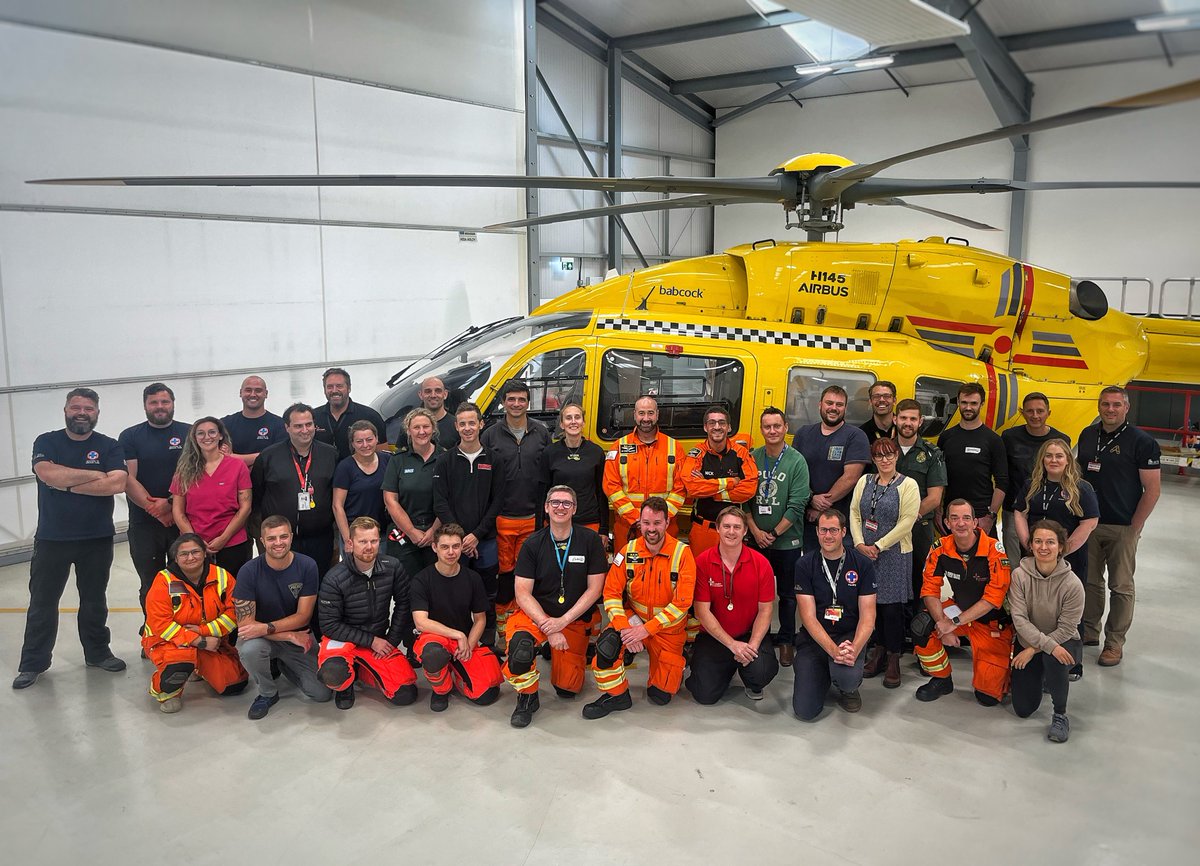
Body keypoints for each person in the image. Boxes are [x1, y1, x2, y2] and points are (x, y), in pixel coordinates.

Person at [13, 388, 129, 690]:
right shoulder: (47, 441)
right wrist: (95, 474)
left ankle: (98, 653)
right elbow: (47, 474)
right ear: (65, 410)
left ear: (97, 413)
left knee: (94, 600)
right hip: (53, 538)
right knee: (42, 602)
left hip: (97, 537)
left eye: (88, 408)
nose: (82, 413)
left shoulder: (109, 445)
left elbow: (116, 483)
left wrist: (66, 484)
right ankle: (33, 663)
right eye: (76, 407)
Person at [504, 486, 607, 727]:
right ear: (547, 507)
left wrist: (562, 622)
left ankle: (555, 654)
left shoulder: (590, 540)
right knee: (520, 650)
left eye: (567, 503)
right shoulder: (532, 543)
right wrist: (548, 626)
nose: (561, 507)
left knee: (567, 688)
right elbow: (522, 593)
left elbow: (595, 589)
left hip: (572, 618)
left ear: (575, 509)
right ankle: (527, 698)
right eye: (556, 502)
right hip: (537, 616)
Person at [584, 497, 696, 719]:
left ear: (667, 522)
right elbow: (611, 594)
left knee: (660, 695)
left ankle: (676, 663)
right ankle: (617, 696)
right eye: (646, 523)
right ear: (639, 523)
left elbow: (682, 604)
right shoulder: (628, 551)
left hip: (667, 630)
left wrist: (646, 630)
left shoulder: (683, 554)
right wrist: (625, 627)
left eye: (657, 523)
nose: (651, 529)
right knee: (606, 649)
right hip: (633, 621)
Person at [1077, 385, 1162, 667]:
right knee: (1090, 581)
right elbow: (1078, 475)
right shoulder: (1088, 435)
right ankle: (1090, 632)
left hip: (1123, 525)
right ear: (1099, 406)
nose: (1110, 409)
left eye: (1116, 405)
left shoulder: (1142, 441)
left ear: (1126, 407)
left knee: (1121, 586)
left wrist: (1134, 527)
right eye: (1105, 404)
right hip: (1089, 523)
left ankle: (1114, 643)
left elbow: (1152, 489)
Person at [1014, 438, 1099, 679]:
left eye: (1059, 456)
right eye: (1049, 455)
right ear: (1042, 459)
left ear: (1068, 460)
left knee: (1068, 608)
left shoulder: (1081, 488)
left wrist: (1062, 551)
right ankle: (1035, 652)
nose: (1053, 460)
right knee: (1035, 606)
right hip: (1035, 556)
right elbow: (1020, 513)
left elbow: (1089, 522)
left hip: (1068, 558)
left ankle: (1073, 662)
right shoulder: (1032, 485)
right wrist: (1028, 543)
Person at [913, 499, 1012, 706]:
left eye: (966, 518)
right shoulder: (940, 548)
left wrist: (954, 623)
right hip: (958, 610)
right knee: (921, 625)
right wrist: (942, 624)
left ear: (975, 522)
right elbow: (929, 590)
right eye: (955, 518)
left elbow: (993, 599)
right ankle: (942, 679)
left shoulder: (994, 549)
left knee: (987, 698)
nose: (961, 523)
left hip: (991, 623)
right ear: (947, 523)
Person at [233, 515, 332, 720]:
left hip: (296, 636)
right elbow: (246, 626)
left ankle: (283, 663)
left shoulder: (307, 565)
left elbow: (303, 617)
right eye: (271, 538)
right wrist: (287, 635)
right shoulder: (248, 571)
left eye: (283, 537)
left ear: (291, 537)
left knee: (322, 693)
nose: (278, 543)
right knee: (250, 649)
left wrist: (265, 628)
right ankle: (267, 693)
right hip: (266, 639)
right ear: (262, 541)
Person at [480, 379, 552, 651]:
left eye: (522, 399)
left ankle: (527, 628)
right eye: (511, 399)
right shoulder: (490, 436)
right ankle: (503, 630)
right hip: (501, 518)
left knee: (528, 576)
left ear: (528, 402)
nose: (516, 404)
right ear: (503, 402)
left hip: (533, 519)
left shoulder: (541, 433)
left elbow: (548, 476)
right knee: (504, 576)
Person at [140, 533, 248, 713]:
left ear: (205, 553)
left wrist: (203, 631)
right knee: (179, 666)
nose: (190, 557)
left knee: (234, 684)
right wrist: (199, 640)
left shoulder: (222, 576)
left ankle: (198, 667)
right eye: (184, 554)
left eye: (195, 552)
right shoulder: (164, 581)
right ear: (175, 558)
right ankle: (167, 693)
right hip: (168, 643)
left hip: (210, 639)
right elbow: (160, 624)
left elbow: (235, 613)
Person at [316, 517, 416, 710]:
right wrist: (371, 641)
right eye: (362, 542)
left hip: (378, 637)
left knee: (405, 694)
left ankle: (361, 670)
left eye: (374, 541)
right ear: (350, 543)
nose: (369, 547)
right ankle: (345, 685)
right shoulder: (334, 578)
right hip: (342, 639)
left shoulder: (393, 567)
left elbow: (404, 604)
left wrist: (391, 640)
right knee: (333, 673)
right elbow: (329, 625)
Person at [685, 507, 779, 704]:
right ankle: (724, 668)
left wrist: (752, 646)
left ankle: (749, 678)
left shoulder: (761, 563)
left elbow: (766, 610)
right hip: (715, 637)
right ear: (718, 528)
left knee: (761, 671)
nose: (731, 532)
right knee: (704, 695)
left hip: (748, 634)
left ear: (745, 531)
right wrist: (731, 645)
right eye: (726, 526)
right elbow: (701, 611)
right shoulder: (702, 562)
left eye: (737, 527)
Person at [791, 509, 877, 720]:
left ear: (843, 532)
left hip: (848, 636)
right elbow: (808, 617)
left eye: (833, 530)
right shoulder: (805, 564)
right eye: (823, 530)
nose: (828, 536)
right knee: (805, 711)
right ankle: (824, 673)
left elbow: (868, 617)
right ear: (817, 532)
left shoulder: (862, 564)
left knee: (847, 678)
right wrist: (833, 651)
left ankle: (847, 688)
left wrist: (854, 649)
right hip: (815, 638)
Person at [410, 523, 504, 712]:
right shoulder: (421, 579)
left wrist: (469, 643)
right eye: (445, 547)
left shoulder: (473, 578)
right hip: (434, 638)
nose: (451, 552)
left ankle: (457, 676)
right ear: (434, 547)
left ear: (462, 547)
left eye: (456, 546)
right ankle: (442, 690)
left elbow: (480, 619)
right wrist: (458, 635)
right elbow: (421, 622)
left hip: (463, 643)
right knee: (434, 655)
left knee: (487, 695)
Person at [432, 402, 504, 645]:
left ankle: (487, 643)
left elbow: (498, 501)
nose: (467, 428)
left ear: (481, 424)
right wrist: (461, 538)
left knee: (488, 592)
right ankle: (455, 641)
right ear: (456, 426)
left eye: (472, 423)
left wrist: (477, 535)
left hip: (486, 541)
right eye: (462, 423)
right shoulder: (445, 461)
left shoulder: (494, 459)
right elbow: (440, 502)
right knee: (454, 591)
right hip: (456, 544)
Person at [850, 438, 920, 688]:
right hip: (865, 554)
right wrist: (860, 544)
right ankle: (878, 652)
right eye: (879, 455)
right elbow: (855, 513)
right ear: (873, 459)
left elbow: (907, 521)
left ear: (897, 456)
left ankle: (893, 658)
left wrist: (878, 546)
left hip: (894, 553)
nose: (885, 459)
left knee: (892, 610)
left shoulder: (908, 484)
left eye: (889, 454)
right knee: (872, 606)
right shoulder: (864, 481)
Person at [1009, 520, 1085, 744]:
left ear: (1060, 547)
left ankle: (1060, 715)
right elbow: (1019, 620)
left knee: (1054, 658)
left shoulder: (1073, 585)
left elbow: (1067, 629)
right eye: (1038, 541)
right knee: (1023, 709)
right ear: (1031, 545)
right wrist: (1035, 648)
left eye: (1050, 542)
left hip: (1063, 642)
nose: (1043, 547)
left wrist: (1035, 649)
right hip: (1028, 641)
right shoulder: (1019, 576)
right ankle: (1042, 675)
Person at [119, 382, 190, 617]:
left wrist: (170, 505)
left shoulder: (190, 433)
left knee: (182, 580)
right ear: (145, 406)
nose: (160, 406)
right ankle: (154, 629)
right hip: (144, 524)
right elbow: (128, 478)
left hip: (182, 520)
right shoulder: (130, 436)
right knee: (151, 582)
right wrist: (156, 510)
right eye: (154, 402)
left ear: (173, 404)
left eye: (164, 402)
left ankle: (183, 628)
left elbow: (196, 474)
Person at [746, 407, 810, 667]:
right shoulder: (752, 458)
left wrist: (773, 534)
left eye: (776, 426)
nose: (772, 431)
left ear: (785, 428)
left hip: (787, 542)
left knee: (787, 595)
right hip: (755, 540)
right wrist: (755, 531)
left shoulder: (797, 461)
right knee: (753, 594)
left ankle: (786, 641)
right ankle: (756, 639)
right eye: (767, 427)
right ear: (761, 430)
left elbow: (797, 505)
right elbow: (744, 500)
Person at [251, 403, 339, 579]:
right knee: (281, 584)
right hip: (281, 540)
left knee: (319, 583)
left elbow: (336, 494)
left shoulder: (331, 454)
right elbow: (256, 496)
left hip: (320, 537)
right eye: (298, 426)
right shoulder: (268, 457)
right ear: (287, 427)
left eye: (308, 424)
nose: (305, 430)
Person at [602, 395, 687, 553]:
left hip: (664, 527)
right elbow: (611, 486)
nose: (646, 418)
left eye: (650, 413)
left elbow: (681, 488)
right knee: (627, 567)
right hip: (628, 527)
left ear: (657, 415)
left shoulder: (675, 447)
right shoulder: (618, 447)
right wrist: (635, 518)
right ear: (634, 415)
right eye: (641, 413)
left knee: (665, 566)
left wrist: (659, 519)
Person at [170, 417, 253, 575]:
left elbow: (245, 507)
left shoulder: (237, 466)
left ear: (220, 435)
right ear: (194, 438)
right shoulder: (184, 470)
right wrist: (195, 541)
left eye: (212, 432)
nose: (207, 437)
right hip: (195, 546)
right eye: (201, 433)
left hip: (232, 542)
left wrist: (224, 538)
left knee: (234, 587)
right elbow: (178, 512)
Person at [792, 385, 870, 552]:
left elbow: (850, 477)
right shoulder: (803, 434)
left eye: (839, 404)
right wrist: (811, 499)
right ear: (820, 404)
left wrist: (820, 507)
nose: (833, 408)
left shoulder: (856, 436)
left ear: (845, 408)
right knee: (808, 565)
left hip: (840, 524)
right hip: (806, 522)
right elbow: (794, 474)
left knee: (839, 567)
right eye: (829, 403)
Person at [1000, 393, 1071, 562]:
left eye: (1040, 411)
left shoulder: (1061, 439)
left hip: (1048, 510)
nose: (1035, 415)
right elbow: (1002, 474)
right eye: (1030, 411)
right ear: (1022, 412)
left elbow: (1067, 476)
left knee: (1045, 558)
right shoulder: (1009, 437)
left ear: (1048, 413)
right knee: (1014, 563)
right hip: (1014, 510)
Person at [680, 404, 758, 555]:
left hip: (732, 531)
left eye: (722, 423)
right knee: (701, 569)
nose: (717, 427)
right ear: (705, 427)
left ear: (729, 427)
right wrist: (730, 482)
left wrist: (711, 491)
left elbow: (749, 489)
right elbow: (692, 487)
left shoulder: (741, 453)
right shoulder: (697, 454)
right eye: (712, 423)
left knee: (732, 569)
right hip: (703, 529)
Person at [382, 408, 445, 588]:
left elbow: (452, 498)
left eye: (426, 426)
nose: (421, 431)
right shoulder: (398, 460)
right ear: (408, 431)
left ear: (433, 429)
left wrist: (433, 531)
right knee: (406, 590)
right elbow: (390, 500)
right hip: (404, 534)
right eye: (416, 427)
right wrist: (411, 531)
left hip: (438, 533)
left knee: (437, 587)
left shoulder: (446, 457)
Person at [937, 383, 1008, 536]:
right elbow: (938, 478)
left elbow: (1002, 481)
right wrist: (938, 511)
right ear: (958, 402)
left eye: (973, 403)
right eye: (964, 402)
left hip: (981, 516)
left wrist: (991, 516)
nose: (968, 407)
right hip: (951, 515)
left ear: (981, 404)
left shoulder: (993, 440)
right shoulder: (946, 437)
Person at [894, 399, 947, 600]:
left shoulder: (932, 453)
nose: (908, 423)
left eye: (913, 419)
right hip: (887, 527)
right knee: (889, 578)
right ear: (895, 419)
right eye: (903, 418)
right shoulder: (883, 450)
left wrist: (906, 519)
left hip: (919, 527)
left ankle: (919, 618)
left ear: (920, 421)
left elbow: (934, 498)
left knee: (920, 579)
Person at [537, 402, 608, 538]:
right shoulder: (550, 452)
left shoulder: (596, 452)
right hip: (557, 521)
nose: (573, 421)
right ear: (562, 424)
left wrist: (604, 529)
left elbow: (601, 493)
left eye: (577, 417)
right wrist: (539, 529)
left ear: (583, 423)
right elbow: (542, 493)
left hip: (589, 521)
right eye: (568, 418)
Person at [332, 420, 392, 552]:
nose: (365, 445)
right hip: (355, 535)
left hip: (382, 533)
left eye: (369, 440)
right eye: (359, 441)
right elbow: (337, 506)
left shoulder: (387, 460)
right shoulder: (345, 467)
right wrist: (348, 539)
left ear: (377, 439)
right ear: (352, 443)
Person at [312, 367, 388, 461]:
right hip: (324, 470)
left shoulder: (370, 416)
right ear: (324, 390)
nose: (334, 390)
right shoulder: (313, 417)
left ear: (349, 388)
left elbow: (383, 454)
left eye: (339, 386)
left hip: (358, 470)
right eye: (330, 387)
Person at [221, 375, 286, 468]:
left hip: (267, 476)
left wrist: (232, 457)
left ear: (266, 394)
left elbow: (277, 455)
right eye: (248, 390)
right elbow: (217, 455)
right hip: (235, 476)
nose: (253, 394)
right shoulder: (225, 424)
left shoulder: (280, 425)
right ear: (240, 393)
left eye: (258, 390)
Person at [394, 376, 460, 450]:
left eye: (438, 391)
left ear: (445, 394)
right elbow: (400, 455)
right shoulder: (408, 425)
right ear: (420, 395)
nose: (433, 395)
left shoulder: (457, 426)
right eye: (428, 391)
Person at [859, 380, 898, 472]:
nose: (881, 400)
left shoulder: (904, 430)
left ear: (894, 400)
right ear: (870, 401)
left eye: (886, 396)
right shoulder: (861, 434)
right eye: (876, 396)